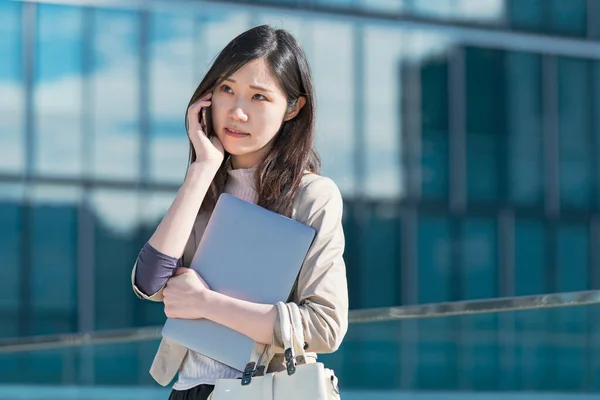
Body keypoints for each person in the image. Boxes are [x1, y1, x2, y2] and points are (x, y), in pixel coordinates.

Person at [131, 24, 348, 400]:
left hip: (265, 390)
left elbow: (325, 326)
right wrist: (201, 170)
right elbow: (148, 283)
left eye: (259, 97)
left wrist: (205, 304)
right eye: (227, 89)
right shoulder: (205, 189)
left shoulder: (313, 196)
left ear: (293, 108)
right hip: (189, 390)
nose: (237, 111)